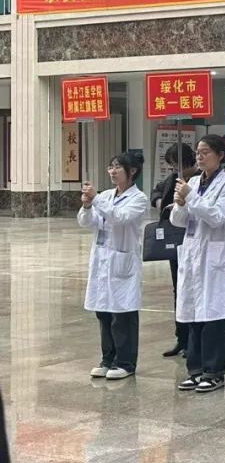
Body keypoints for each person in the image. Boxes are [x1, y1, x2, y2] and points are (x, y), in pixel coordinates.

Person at [170, 134, 225, 394]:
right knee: (193, 316)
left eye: (205, 152)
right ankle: (196, 370)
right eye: (197, 152)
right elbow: (178, 221)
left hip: (215, 257)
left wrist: (190, 198)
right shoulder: (192, 182)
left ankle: (214, 371)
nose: (199, 157)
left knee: (215, 316)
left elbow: (217, 216)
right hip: (193, 253)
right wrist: (180, 205)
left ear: (220, 155)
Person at [79, 150, 150, 380]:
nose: (112, 171)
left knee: (123, 315)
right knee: (104, 313)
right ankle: (107, 359)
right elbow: (87, 222)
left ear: (132, 171)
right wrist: (87, 206)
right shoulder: (107, 195)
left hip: (122, 262)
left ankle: (125, 362)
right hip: (102, 260)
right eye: (111, 166)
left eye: (118, 167)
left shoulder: (139, 199)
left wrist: (96, 199)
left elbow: (120, 217)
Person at [151, 142, 197, 358]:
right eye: (172, 166)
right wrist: (161, 202)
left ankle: (193, 341)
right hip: (174, 240)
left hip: (193, 239)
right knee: (178, 289)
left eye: (177, 165)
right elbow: (157, 191)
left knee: (192, 290)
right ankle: (182, 337)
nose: (175, 169)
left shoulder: (198, 180)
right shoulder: (173, 179)